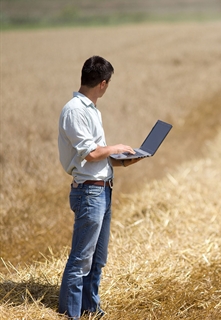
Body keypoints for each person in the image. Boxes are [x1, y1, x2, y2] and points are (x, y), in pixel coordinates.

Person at [58, 55, 141, 319]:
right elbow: (90, 154)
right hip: (89, 193)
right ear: (103, 84)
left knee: (97, 259)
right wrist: (115, 148)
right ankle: (71, 314)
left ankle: (90, 310)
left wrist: (123, 161)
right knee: (81, 259)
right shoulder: (75, 110)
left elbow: (97, 158)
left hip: (102, 189)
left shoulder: (92, 109)